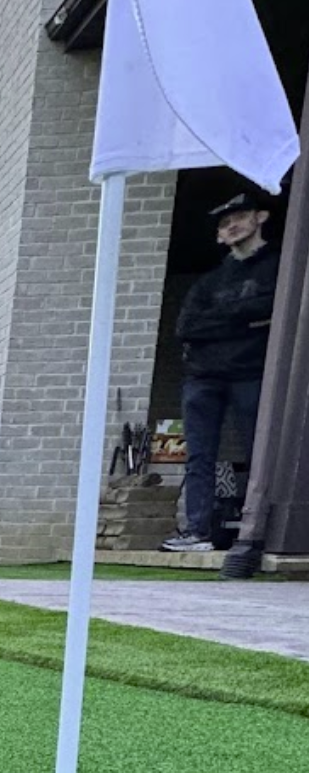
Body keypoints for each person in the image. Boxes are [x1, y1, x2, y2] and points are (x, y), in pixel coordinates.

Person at [161, 192, 280, 553]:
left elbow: (273, 307)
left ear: (260, 217)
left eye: (239, 217)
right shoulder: (209, 281)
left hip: (251, 372)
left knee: (258, 451)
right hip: (202, 377)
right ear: (219, 236)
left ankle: (255, 533)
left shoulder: (277, 267)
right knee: (200, 455)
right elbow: (186, 327)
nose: (232, 225)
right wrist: (248, 320)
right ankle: (197, 531)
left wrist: (228, 321)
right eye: (225, 223)